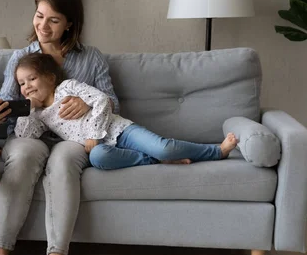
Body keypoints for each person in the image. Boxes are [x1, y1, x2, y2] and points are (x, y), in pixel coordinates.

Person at [0, 0, 119, 255]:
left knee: (64, 162)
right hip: (30, 133)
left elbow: (113, 102)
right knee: (24, 157)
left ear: (70, 23)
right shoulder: (21, 58)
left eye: (54, 20)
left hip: (73, 138)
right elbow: (5, 104)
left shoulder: (91, 58)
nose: (43, 26)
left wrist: (89, 103)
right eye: (39, 16)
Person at [14, 53, 239, 169]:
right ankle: (155, 161)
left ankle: (216, 151)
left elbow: (102, 100)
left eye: (31, 79)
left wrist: (93, 134)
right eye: (22, 84)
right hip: (100, 148)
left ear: (50, 78)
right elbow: (25, 136)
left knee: (164, 148)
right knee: (99, 158)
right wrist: (27, 109)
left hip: (121, 130)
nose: (27, 87)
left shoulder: (68, 87)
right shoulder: (39, 116)